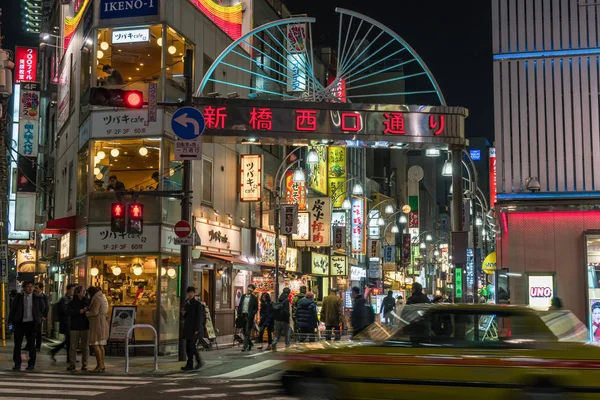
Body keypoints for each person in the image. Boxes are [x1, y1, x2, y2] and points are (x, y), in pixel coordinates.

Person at [8, 281, 46, 370]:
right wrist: (10, 322)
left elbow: (43, 307)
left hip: (31, 324)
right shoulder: (19, 297)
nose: (30, 288)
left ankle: (31, 364)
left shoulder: (37, 297)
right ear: (24, 288)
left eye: (31, 287)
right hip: (20, 323)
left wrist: (38, 317)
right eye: (28, 286)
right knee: (17, 344)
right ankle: (17, 363)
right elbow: (13, 309)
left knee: (32, 345)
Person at [50, 283, 76, 363]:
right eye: (72, 290)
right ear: (68, 290)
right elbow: (64, 311)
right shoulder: (64, 299)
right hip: (66, 322)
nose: (73, 292)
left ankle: (67, 356)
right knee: (69, 341)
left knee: (68, 341)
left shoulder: (70, 299)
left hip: (70, 322)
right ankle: (69, 358)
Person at [86, 287, 109, 372]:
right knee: (101, 345)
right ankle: (102, 364)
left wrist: (86, 313)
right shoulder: (102, 297)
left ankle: (99, 365)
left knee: (96, 344)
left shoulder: (96, 299)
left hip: (97, 323)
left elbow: (95, 312)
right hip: (102, 322)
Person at [181, 286, 205, 371]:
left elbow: (199, 317)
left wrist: (197, 329)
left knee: (191, 346)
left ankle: (197, 361)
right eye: (189, 293)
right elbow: (184, 315)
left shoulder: (197, 304)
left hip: (194, 329)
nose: (190, 294)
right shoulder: (186, 303)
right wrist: (183, 313)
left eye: (191, 292)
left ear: (194, 293)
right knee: (188, 346)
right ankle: (190, 364)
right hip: (187, 328)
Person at [67, 286, 89, 371]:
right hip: (74, 326)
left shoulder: (87, 301)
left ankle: (85, 364)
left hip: (85, 325)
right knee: (73, 346)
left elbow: (91, 309)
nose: (84, 292)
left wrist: (87, 309)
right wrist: (78, 311)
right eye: (82, 291)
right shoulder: (72, 302)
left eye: (85, 291)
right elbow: (68, 312)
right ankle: (72, 363)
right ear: (78, 292)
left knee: (85, 346)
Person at [238, 284, 258, 352]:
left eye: (251, 289)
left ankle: (244, 346)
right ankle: (249, 343)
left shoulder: (254, 298)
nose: (250, 290)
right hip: (242, 315)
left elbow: (256, 308)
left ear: (252, 290)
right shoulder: (243, 296)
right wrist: (239, 313)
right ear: (247, 288)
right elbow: (240, 305)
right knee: (244, 332)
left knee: (247, 331)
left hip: (249, 317)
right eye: (249, 288)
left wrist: (252, 314)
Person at [34, 282, 49, 351]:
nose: (35, 289)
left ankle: (38, 346)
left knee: (38, 331)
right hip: (34, 315)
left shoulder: (44, 296)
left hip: (40, 316)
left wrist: (44, 315)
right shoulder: (34, 295)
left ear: (41, 288)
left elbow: (46, 306)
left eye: (37, 288)